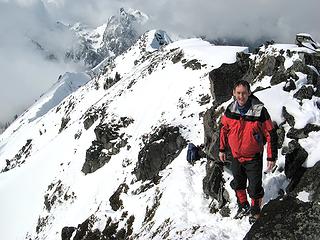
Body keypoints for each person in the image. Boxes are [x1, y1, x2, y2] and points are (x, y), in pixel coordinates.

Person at [219, 80, 277, 222]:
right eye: (238, 93)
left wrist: (271, 157)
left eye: (244, 93)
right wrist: (221, 149)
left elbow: (270, 133)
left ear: (249, 93)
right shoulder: (230, 110)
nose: (241, 96)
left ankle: (255, 212)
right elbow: (223, 129)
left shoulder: (259, 111)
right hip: (236, 156)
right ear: (233, 93)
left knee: (255, 188)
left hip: (253, 158)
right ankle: (243, 205)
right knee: (238, 184)